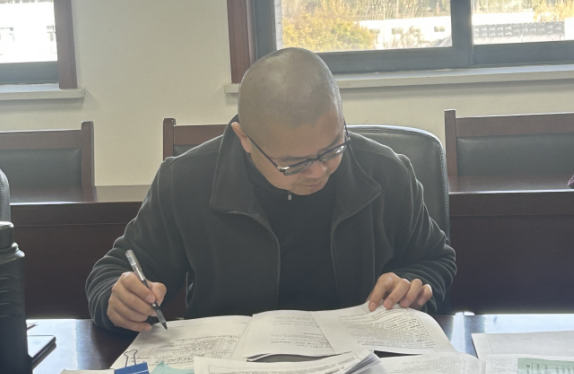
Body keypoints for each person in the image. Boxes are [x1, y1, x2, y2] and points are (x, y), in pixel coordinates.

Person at [87, 48, 456, 333]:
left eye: (332, 148)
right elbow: (113, 271)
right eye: (293, 163)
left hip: (358, 371)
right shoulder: (185, 181)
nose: (318, 172)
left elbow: (435, 259)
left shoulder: (386, 172)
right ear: (245, 139)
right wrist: (116, 299)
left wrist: (413, 285)